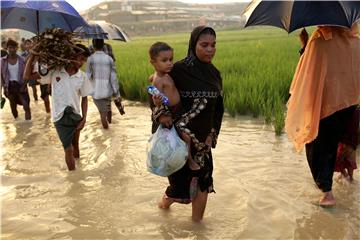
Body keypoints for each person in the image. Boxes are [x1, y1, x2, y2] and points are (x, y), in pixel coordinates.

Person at [154, 26, 224, 222]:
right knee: (178, 189)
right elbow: (155, 87)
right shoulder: (177, 69)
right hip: (179, 141)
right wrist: (161, 112)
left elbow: (218, 108)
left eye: (213, 45)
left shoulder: (215, 74)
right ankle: (163, 206)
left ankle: (197, 227)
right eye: (204, 45)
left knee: (203, 184)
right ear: (194, 45)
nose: (210, 49)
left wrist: (213, 134)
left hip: (203, 142)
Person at [285, 25, 360, 207]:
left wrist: (305, 46)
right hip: (350, 103)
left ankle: (327, 194)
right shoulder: (354, 41)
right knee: (342, 140)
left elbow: (308, 72)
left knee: (318, 146)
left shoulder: (319, 40)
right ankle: (348, 178)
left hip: (326, 105)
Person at [24, 44, 93, 171]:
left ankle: (79, 170)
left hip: (75, 116)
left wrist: (84, 119)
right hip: (59, 118)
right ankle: (74, 181)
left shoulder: (82, 76)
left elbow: (84, 98)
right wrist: (33, 54)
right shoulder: (55, 72)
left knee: (76, 144)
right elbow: (27, 77)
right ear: (72, 56)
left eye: (84, 60)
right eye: (81, 58)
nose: (82, 62)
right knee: (68, 149)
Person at [148, 42, 200, 171]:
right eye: (164, 60)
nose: (169, 63)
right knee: (185, 137)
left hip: (179, 110)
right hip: (172, 113)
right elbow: (156, 100)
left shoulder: (164, 74)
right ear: (153, 62)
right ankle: (189, 160)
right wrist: (158, 103)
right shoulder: (158, 80)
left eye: (171, 59)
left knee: (184, 135)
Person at [86, 39, 120, 129]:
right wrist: (117, 93)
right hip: (107, 86)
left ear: (93, 44)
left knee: (102, 113)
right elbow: (113, 76)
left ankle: (107, 131)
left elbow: (88, 75)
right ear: (103, 43)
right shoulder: (109, 57)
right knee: (108, 108)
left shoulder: (90, 56)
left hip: (96, 89)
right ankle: (110, 127)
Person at [1, 39, 31, 120]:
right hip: (10, 87)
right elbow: (1, 75)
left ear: (17, 48)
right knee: (13, 108)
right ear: (7, 48)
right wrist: (3, 88)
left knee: (26, 106)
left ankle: (28, 126)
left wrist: (24, 85)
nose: (11, 50)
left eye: (14, 48)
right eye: (10, 47)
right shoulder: (3, 61)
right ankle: (18, 126)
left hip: (21, 85)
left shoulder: (22, 60)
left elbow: (27, 73)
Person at [334, 106, 359, 181]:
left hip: (344, 140)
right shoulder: (357, 109)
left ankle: (345, 176)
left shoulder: (343, 109)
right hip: (353, 140)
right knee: (350, 160)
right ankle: (350, 179)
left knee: (336, 161)